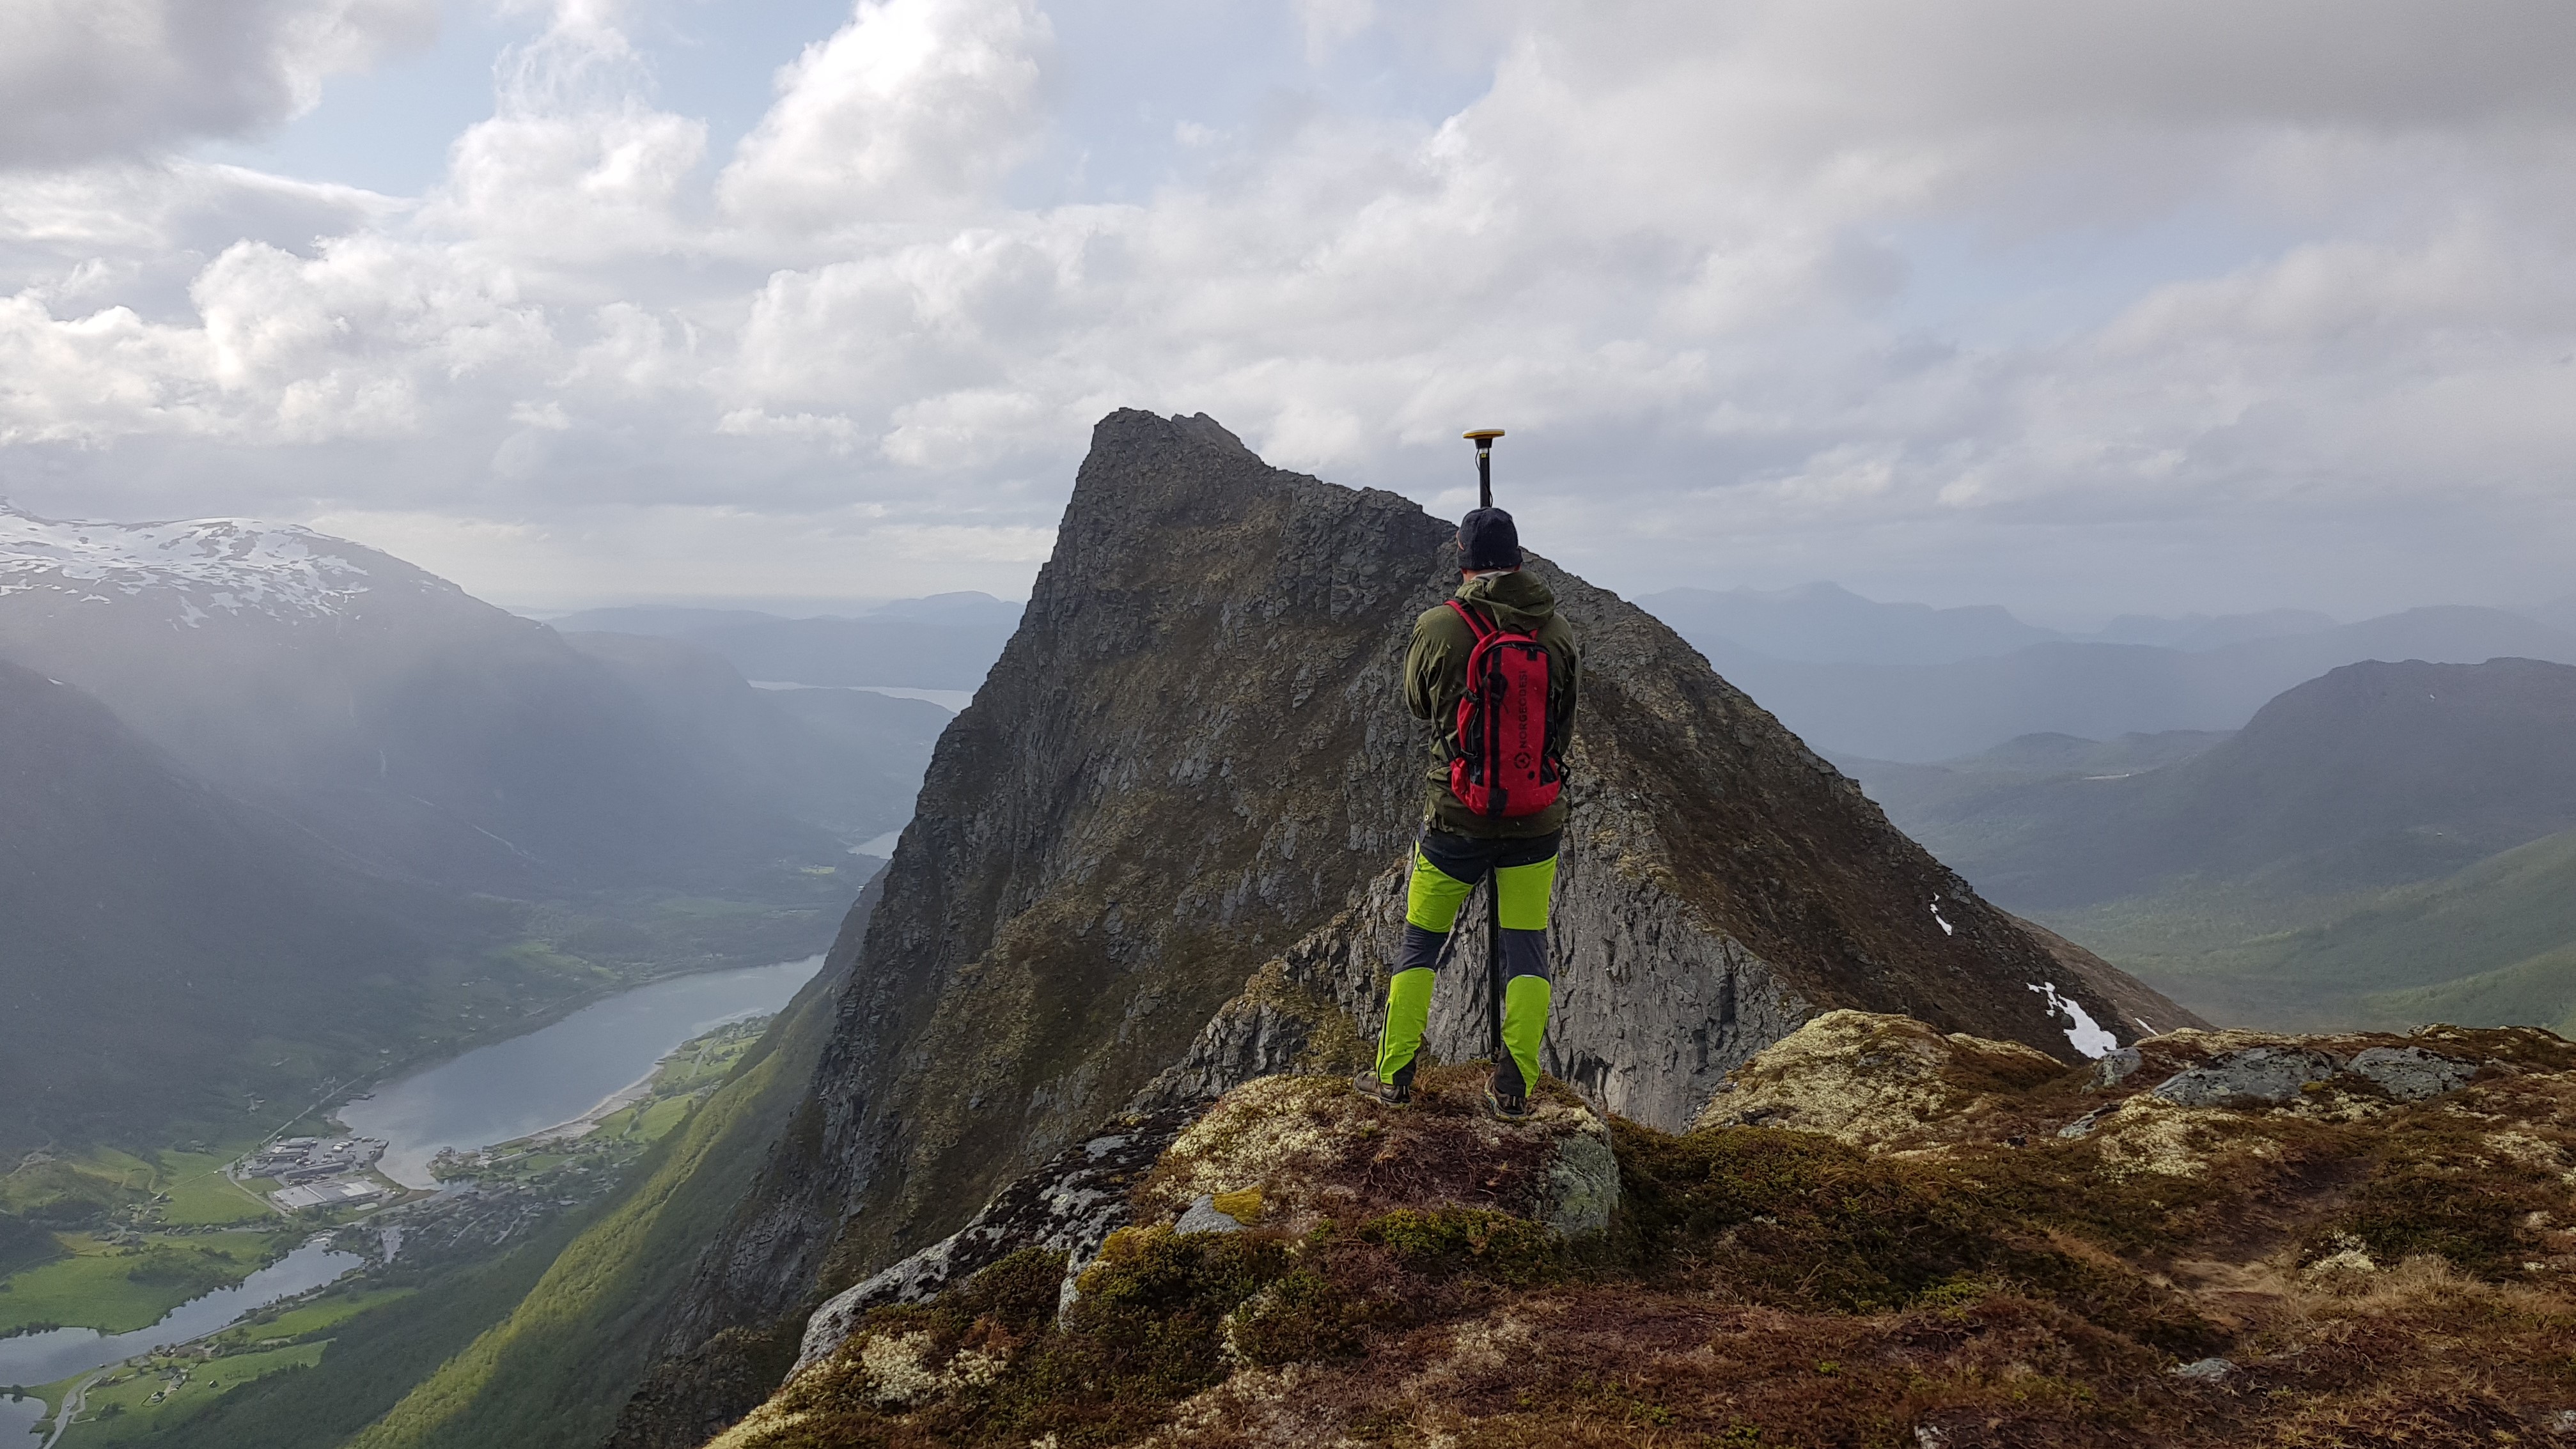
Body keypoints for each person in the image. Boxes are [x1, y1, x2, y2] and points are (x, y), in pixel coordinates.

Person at [1355, 505, 1579, 1119]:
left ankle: (1394, 1074)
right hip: (1535, 819)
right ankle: (1512, 1088)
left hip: (1456, 814)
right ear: (1521, 559)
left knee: (1421, 941)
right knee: (1527, 946)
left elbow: (1417, 705)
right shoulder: (1556, 632)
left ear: (1462, 560)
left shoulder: (1439, 626)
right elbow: (1561, 724)